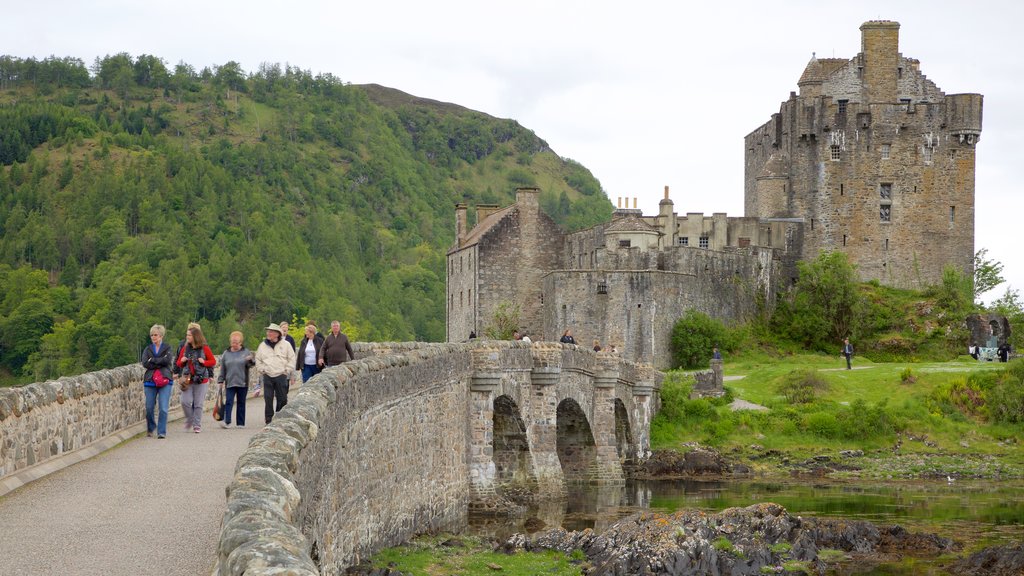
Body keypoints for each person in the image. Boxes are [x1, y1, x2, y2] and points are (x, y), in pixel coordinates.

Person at [175, 325, 217, 433]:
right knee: (185, 401)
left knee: (198, 404)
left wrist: (204, 362)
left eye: (189, 335)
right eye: (187, 335)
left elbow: (213, 361)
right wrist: (183, 360)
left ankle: (197, 425)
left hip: (201, 379)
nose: (187, 337)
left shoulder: (205, 348)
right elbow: (178, 363)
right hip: (188, 379)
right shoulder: (185, 348)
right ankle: (190, 419)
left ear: (195, 336)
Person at [255, 323, 297, 424]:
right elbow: (258, 359)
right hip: (268, 375)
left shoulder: (286, 344)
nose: (268, 333)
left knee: (282, 398)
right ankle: (269, 420)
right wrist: (262, 369)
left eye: (270, 331)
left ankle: (280, 417)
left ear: (277, 334)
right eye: (268, 331)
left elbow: (292, 358)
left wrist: (286, 370)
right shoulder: (262, 345)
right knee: (268, 398)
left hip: (281, 375)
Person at [141, 324, 174, 439]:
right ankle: (151, 427)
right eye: (152, 335)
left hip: (165, 380)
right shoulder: (148, 349)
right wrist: (160, 361)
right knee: (149, 407)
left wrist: (153, 360)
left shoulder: (167, 348)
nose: (153, 337)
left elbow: (167, 360)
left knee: (163, 408)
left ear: (161, 336)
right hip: (150, 380)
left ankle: (161, 431)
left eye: (155, 335)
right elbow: (145, 363)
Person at [218, 331, 254, 429]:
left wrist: (250, 360)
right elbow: (223, 368)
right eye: (233, 342)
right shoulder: (226, 353)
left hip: (242, 381)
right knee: (229, 401)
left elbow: (251, 365)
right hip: (230, 381)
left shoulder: (246, 352)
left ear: (240, 342)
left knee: (241, 402)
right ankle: (227, 421)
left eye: (236, 342)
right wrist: (220, 380)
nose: (234, 344)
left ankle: (240, 423)